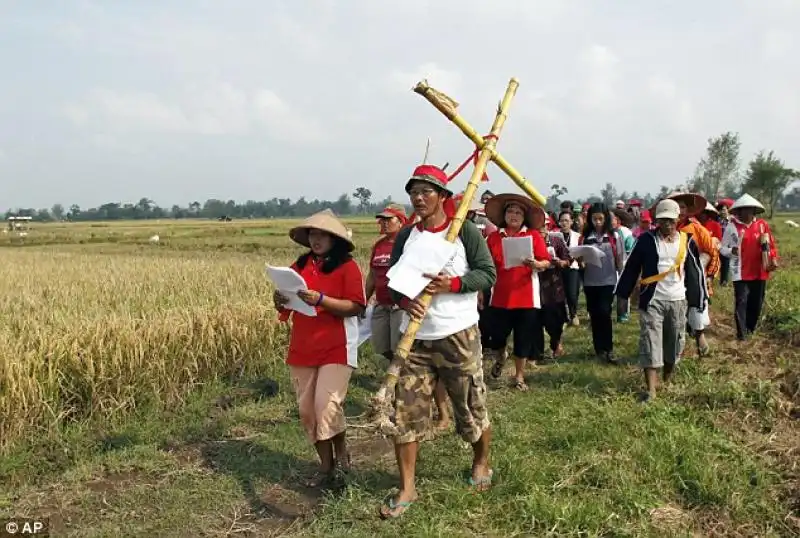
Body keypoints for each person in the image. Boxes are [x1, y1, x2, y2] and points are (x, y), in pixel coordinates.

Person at [381, 164, 497, 518]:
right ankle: (408, 488)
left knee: (469, 407)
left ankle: (481, 461)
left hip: (458, 334)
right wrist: (405, 301)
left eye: (426, 191)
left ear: (443, 197)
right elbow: (394, 283)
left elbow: (487, 273)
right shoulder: (407, 236)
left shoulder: (463, 232)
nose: (418, 198)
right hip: (415, 339)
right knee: (407, 412)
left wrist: (455, 284)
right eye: (413, 192)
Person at [274, 209, 367, 488]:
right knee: (307, 411)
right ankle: (326, 467)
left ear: (334, 239)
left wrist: (322, 300)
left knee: (325, 406)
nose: (316, 239)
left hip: (336, 345)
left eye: (322, 235)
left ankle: (340, 454)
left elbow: (356, 306)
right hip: (303, 346)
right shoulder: (299, 266)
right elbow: (287, 302)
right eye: (313, 234)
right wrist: (279, 299)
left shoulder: (347, 267)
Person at [614, 199, 708, 402]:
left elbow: (695, 273)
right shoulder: (647, 240)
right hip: (652, 299)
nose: (666, 225)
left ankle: (667, 378)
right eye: (663, 220)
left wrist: (698, 300)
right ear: (657, 220)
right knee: (650, 341)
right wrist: (622, 295)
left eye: (671, 221)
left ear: (678, 220)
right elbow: (631, 268)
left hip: (677, 299)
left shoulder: (687, 241)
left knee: (673, 343)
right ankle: (651, 390)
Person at [483, 193, 550, 389]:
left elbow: (546, 261)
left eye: (519, 212)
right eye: (510, 211)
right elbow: (486, 264)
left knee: (523, 337)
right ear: (504, 215)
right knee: (497, 336)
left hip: (526, 296)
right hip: (500, 296)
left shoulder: (533, 236)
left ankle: (519, 376)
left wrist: (537, 264)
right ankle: (500, 357)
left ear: (524, 217)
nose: (514, 215)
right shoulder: (493, 238)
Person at [655, 192, 719, 356]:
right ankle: (675, 350)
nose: (680, 210)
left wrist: (708, 275)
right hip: (670, 282)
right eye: (677, 207)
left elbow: (712, 252)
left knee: (696, 310)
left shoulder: (697, 229)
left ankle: (700, 339)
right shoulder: (661, 231)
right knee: (674, 319)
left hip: (694, 279)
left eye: (683, 207)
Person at [719, 194, 779, 340]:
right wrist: (731, 251)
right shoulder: (732, 227)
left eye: (750, 210)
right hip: (740, 271)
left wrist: (773, 259)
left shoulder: (762, 225)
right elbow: (722, 248)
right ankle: (742, 335)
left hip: (759, 270)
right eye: (743, 210)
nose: (747, 213)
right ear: (738, 211)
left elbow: (770, 246)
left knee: (756, 302)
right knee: (741, 301)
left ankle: (750, 329)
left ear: (754, 211)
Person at [579, 203, 624, 364]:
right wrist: (580, 261)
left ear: (605, 219)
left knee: (605, 313)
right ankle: (599, 349)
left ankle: (608, 348)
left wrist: (623, 279)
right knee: (595, 314)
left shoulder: (614, 236)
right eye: (594, 219)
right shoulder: (585, 237)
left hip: (608, 280)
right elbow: (580, 257)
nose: (597, 222)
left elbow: (620, 258)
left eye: (600, 219)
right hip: (590, 282)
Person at [366, 204, 408, 363]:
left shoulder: (407, 245)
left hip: (400, 306)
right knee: (381, 348)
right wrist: (364, 300)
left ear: (401, 221)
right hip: (381, 305)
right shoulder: (379, 245)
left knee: (399, 348)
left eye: (389, 219)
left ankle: (400, 382)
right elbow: (372, 276)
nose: (384, 223)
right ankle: (389, 378)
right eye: (382, 220)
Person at [534, 207, 571, 358]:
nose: (541, 230)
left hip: (554, 288)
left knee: (555, 319)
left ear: (548, 226)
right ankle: (537, 353)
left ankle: (556, 344)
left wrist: (561, 262)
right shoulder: (529, 241)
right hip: (536, 286)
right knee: (536, 320)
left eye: (543, 226)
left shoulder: (556, 240)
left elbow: (568, 259)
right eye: (537, 227)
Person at [612, 208, 636, 323]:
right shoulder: (608, 232)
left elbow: (630, 248)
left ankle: (623, 315)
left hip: (624, 265)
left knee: (623, 290)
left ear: (618, 220)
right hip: (612, 266)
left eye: (612, 219)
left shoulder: (625, 232)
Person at [558, 210, 582, 325]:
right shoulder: (554, 236)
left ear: (572, 222)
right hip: (559, 268)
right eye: (562, 221)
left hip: (573, 268)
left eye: (566, 220)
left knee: (572, 293)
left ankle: (574, 314)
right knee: (560, 294)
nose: (564, 223)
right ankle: (563, 316)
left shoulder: (577, 237)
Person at [716, 199, 734, 286]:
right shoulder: (717, 220)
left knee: (726, 262)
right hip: (718, 243)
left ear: (728, 210)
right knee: (717, 261)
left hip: (727, 244)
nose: (722, 212)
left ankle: (724, 281)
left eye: (724, 210)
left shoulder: (731, 220)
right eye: (721, 210)